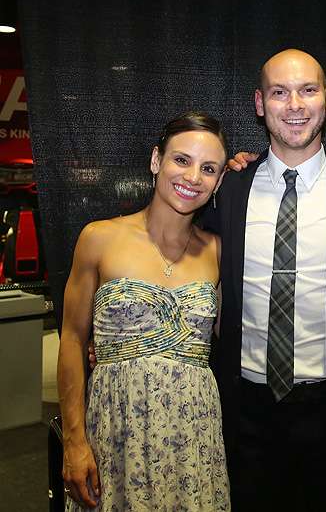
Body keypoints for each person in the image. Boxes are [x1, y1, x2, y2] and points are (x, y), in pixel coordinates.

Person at [202, 48, 326, 511]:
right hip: (247, 411)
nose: (295, 105)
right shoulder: (227, 189)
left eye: (307, 90)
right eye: (279, 93)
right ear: (260, 104)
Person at [57, 112, 230, 510]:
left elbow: (241, 337)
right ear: (156, 161)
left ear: (219, 182)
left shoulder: (218, 251)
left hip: (194, 436)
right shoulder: (100, 238)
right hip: (116, 431)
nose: (192, 178)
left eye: (208, 168)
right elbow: (70, 339)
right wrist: (74, 440)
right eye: (181, 160)